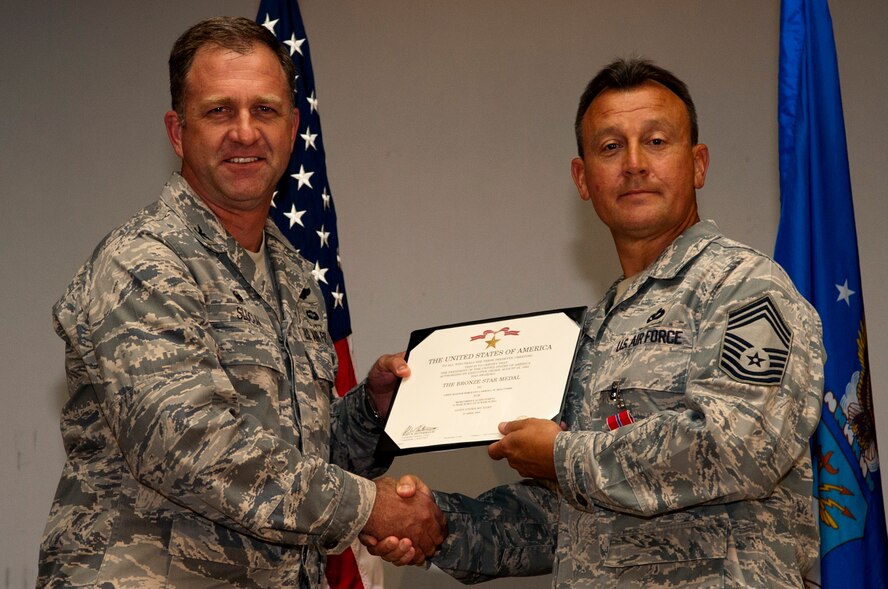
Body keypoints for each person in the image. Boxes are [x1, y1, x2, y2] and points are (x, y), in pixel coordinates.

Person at [365, 58, 825, 588]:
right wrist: (438, 525)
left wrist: (562, 455)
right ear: (582, 178)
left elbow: (740, 446)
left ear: (697, 164)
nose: (633, 163)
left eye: (656, 141)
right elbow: (572, 518)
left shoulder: (745, 287)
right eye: (610, 147)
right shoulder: (593, 330)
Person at [37, 17, 444, 588]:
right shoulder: (144, 262)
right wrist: (368, 506)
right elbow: (190, 447)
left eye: (265, 110)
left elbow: (295, 449)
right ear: (178, 133)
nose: (245, 132)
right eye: (219, 111)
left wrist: (369, 413)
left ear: (293, 127)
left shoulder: (294, 276)